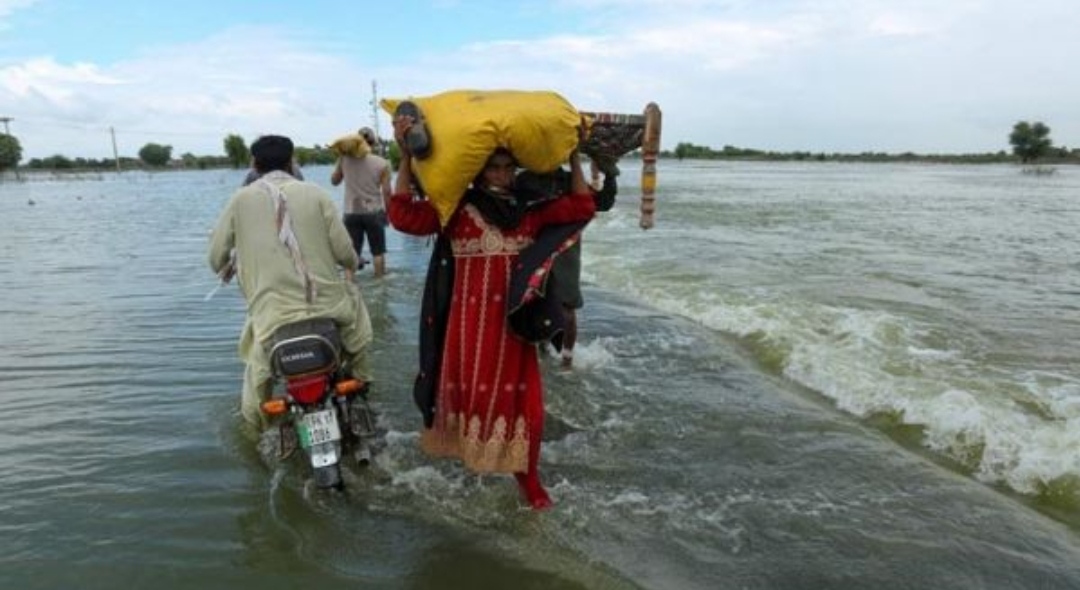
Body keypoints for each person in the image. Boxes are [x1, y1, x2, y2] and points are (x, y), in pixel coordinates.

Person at [385, 114, 596, 510]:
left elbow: (582, 206)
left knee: (528, 408)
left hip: (514, 328)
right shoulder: (456, 209)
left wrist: (575, 155)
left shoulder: (528, 211)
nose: (502, 175)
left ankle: (529, 481)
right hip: (468, 329)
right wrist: (405, 157)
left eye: (508, 167)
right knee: (473, 401)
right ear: (479, 171)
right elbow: (403, 216)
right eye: (494, 168)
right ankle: (475, 460)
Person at [209, 135, 374, 427]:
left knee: (255, 380)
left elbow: (215, 259)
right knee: (354, 309)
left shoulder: (239, 200)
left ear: (254, 164)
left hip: (273, 321)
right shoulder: (316, 194)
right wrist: (351, 263)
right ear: (291, 162)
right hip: (328, 312)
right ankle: (363, 383)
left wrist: (234, 260)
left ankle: (259, 429)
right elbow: (345, 254)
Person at [516, 158, 618, 368]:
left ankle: (567, 360)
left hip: (566, 248)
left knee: (567, 307)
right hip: (531, 246)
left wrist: (610, 175)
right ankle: (538, 352)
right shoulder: (524, 181)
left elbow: (603, 202)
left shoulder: (571, 180)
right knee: (530, 301)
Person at [331, 127, 392, 277]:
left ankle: (349, 283)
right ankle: (380, 283)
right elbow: (387, 192)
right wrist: (388, 213)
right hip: (374, 212)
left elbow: (334, 181)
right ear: (373, 143)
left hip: (351, 212)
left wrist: (340, 160)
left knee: (352, 253)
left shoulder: (344, 160)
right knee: (378, 252)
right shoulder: (382, 163)